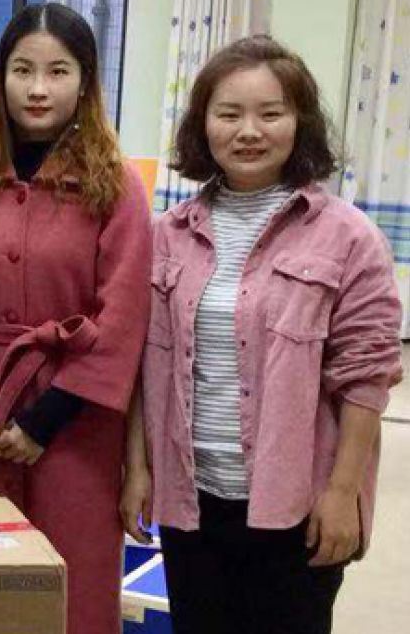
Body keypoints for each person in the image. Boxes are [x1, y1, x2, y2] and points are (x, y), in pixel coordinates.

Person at [121, 35, 404, 634]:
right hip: (193, 501)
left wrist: (343, 493)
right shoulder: (166, 234)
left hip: (296, 503)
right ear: (203, 126)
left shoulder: (349, 237)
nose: (249, 131)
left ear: (300, 123)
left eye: (270, 113)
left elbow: (367, 377)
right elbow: (145, 366)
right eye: (229, 114)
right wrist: (138, 469)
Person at [0, 3, 151, 634]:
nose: (38, 88)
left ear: (86, 82)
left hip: (77, 426)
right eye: (22, 70)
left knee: (74, 588)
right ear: (1, 79)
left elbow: (123, 316)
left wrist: (47, 420)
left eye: (58, 71)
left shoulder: (117, 189)